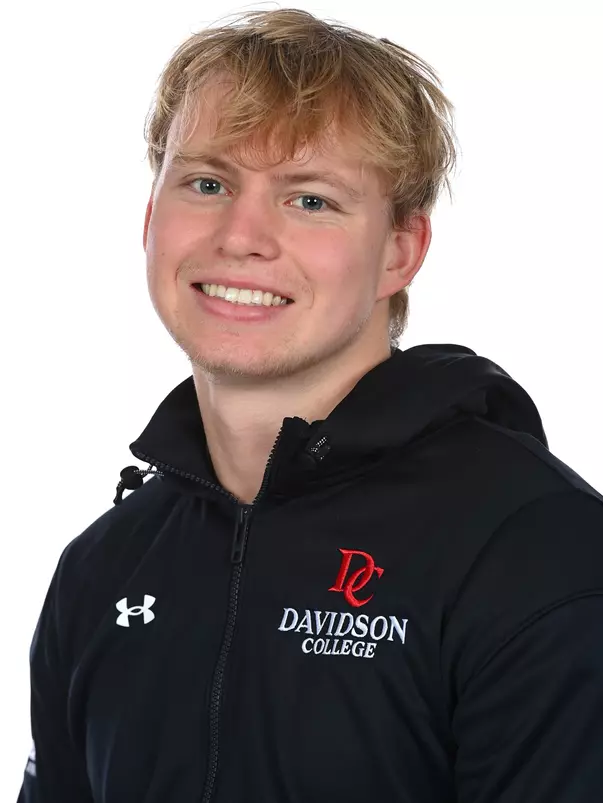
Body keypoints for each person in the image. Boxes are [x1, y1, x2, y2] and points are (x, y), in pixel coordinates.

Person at [17, 7, 603, 803]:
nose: (242, 236)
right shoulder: (105, 567)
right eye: (208, 182)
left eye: (310, 200)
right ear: (151, 217)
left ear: (400, 249)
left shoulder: (534, 549)